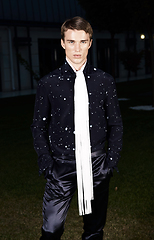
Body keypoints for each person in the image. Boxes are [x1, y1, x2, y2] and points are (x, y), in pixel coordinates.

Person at [31, 16, 123, 240]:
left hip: (96, 165)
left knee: (94, 231)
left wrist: (109, 163)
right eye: (71, 42)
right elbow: (38, 127)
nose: (77, 48)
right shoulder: (48, 83)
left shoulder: (104, 81)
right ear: (62, 43)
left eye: (82, 42)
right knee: (51, 231)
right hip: (61, 166)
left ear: (90, 42)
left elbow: (116, 124)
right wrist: (48, 165)